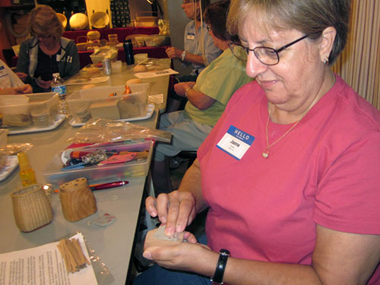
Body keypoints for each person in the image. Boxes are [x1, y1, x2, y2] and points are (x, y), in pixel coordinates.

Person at [134, 0, 380, 284]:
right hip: (215, 254)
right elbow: (203, 167)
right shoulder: (247, 98)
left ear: (324, 43)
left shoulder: (362, 146)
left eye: (268, 50)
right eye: (247, 48)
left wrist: (215, 266)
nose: (251, 69)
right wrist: (187, 198)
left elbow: (332, 281)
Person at [152, 0, 252, 196]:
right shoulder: (230, 54)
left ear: (216, 30)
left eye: (209, 28)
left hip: (208, 125)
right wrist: (193, 87)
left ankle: (162, 198)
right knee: (152, 126)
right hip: (195, 117)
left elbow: (203, 102)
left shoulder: (232, 61)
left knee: (154, 146)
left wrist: (186, 91)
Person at [166, 0, 223, 112]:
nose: (182, 6)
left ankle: (173, 115)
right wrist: (179, 56)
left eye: (186, 2)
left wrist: (182, 54)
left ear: (198, 4)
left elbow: (210, 60)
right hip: (195, 74)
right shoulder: (189, 28)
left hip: (207, 76)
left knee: (176, 85)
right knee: (174, 84)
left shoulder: (211, 28)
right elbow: (187, 59)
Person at [15, 5, 80, 93]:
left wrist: (56, 83)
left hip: (64, 93)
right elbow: (20, 80)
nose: (41, 39)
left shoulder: (69, 46)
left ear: (55, 31)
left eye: (45, 36)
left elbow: (75, 77)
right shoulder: (27, 46)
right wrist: (23, 78)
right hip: (35, 95)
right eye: (37, 35)